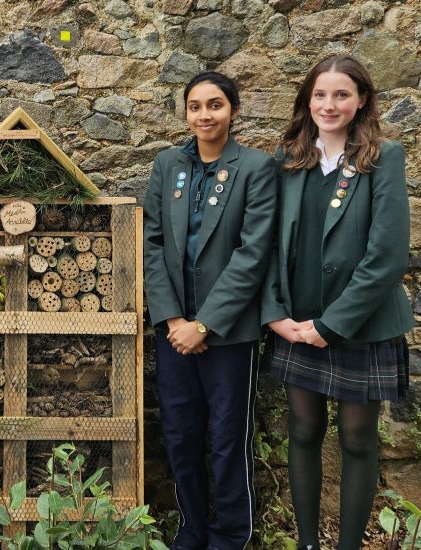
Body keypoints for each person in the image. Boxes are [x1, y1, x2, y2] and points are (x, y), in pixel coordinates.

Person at [261, 54, 413, 550]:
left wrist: (332, 324)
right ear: (308, 99)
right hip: (295, 325)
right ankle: (307, 543)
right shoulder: (289, 158)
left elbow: (387, 255)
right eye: (321, 94)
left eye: (341, 94)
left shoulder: (382, 157)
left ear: (361, 99)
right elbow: (264, 244)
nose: (330, 104)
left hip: (358, 325)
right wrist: (276, 314)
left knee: (356, 440)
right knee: (302, 431)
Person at [143, 72, 277, 550]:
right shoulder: (166, 165)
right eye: (195, 106)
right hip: (174, 328)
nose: (205, 115)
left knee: (226, 441)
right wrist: (174, 319)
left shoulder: (257, 168)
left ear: (233, 111)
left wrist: (206, 323)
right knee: (179, 435)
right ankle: (191, 530)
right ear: (185, 113)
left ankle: (231, 536)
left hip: (228, 332)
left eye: (215, 105)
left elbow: (253, 253)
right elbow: (152, 243)